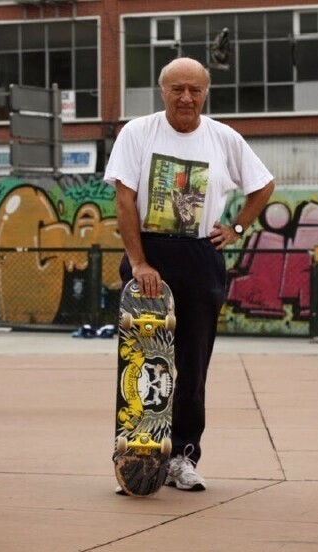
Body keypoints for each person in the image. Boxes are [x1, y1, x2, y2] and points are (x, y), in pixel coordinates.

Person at [104, 57, 275, 492]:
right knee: (143, 359)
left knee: (193, 365)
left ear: (205, 92)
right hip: (149, 254)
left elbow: (263, 185)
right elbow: (124, 201)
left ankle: (182, 455)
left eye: (194, 90)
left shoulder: (223, 138)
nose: (186, 97)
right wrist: (139, 263)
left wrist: (236, 227)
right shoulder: (138, 133)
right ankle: (136, 450)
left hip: (201, 257)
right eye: (177, 89)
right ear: (162, 91)